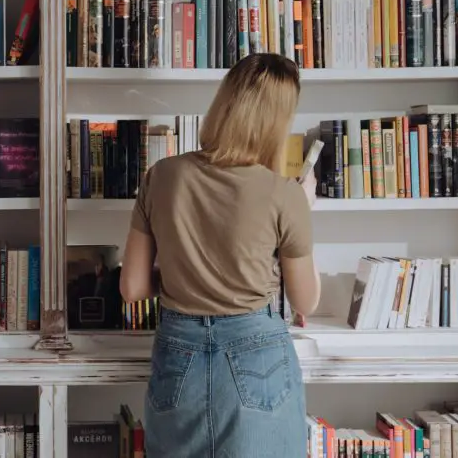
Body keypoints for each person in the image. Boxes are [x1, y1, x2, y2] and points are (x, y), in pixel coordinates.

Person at [120, 52, 320, 458]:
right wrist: (304, 207)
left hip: (178, 351)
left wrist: (185, 274)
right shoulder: (285, 194)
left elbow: (133, 288)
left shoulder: (161, 175)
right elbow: (306, 301)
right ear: (277, 122)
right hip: (257, 350)